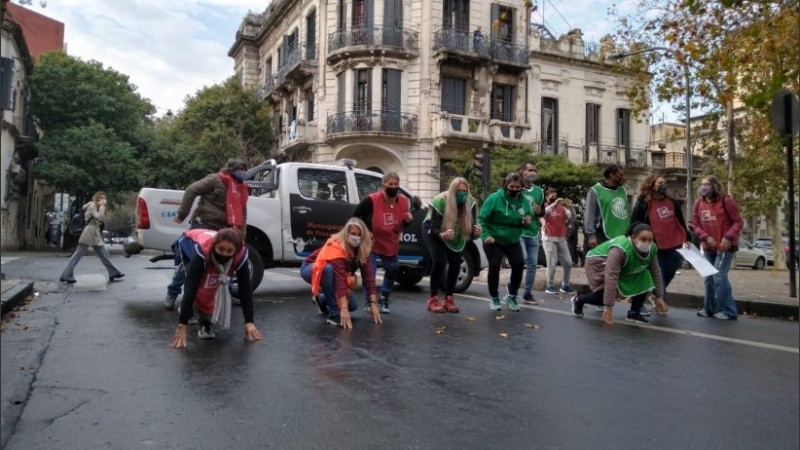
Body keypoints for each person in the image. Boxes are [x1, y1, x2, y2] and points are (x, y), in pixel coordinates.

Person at [163, 158, 249, 311]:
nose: (243, 172)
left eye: (244, 169)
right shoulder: (215, 180)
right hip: (203, 225)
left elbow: (243, 212)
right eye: (239, 169)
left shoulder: (242, 188)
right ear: (231, 169)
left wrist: (241, 235)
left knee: (227, 264)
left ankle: (226, 295)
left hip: (224, 229)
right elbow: (191, 190)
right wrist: (183, 212)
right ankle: (172, 293)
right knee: (190, 263)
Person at [169, 228, 264, 347]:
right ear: (214, 246)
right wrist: (182, 324)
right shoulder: (202, 253)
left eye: (229, 251)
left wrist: (249, 321)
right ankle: (203, 322)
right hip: (188, 244)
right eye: (221, 249)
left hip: (207, 247)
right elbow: (191, 288)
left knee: (214, 283)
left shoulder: (241, 256)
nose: (224, 254)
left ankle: (190, 309)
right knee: (204, 286)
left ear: (237, 250)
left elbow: (245, 289)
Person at [570, 223, 668, 324]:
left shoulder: (652, 249)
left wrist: (659, 296)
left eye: (650, 240)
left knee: (644, 276)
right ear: (633, 238)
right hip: (597, 262)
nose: (647, 243)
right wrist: (608, 307)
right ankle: (578, 299)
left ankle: (634, 313)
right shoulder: (619, 250)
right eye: (643, 239)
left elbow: (656, 271)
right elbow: (611, 276)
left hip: (623, 265)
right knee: (602, 298)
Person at [300, 218, 382, 329]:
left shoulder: (363, 248)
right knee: (328, 270)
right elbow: (339, 279)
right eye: (353, 233)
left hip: (333, 275)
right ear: (346, 233)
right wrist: (342, 309)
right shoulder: (337, 246)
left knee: (352, 306)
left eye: (359, 234)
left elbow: (369, 276)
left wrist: (373, 303)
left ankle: (322, 299)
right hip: (312, 268)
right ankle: (334, 314)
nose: (356, 237)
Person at [352, 172, 413, 314]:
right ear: (383, 186)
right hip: (371, 242)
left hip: (390, 242)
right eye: (390, 184)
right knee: (370, 272)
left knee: (392, 270)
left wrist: (408, 220)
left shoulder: (404, 202)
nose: (393, 187)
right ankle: (369, 301)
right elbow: (354, 215)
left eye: (396, 184)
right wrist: (365, 231)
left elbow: (401, 225)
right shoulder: (371, 200)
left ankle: (384, 297)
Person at [631, 174, 691, 312]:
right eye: (660, 183)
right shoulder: (643, 203)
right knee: (659, 274)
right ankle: (660, 301)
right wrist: (635, 239)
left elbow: (680, 221)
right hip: (654, 246)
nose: (664, 185)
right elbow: (635, 221)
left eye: (665, 183)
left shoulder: (672, 202)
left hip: (673, 244)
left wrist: (687, 238)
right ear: (652, 185)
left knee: (670, 272)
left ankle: (656, 295)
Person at [422, 177, 481, 313]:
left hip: (455, 232)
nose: (461, 194)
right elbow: (433, 227)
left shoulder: (470, 203)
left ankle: (449, 298)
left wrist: (476, 232)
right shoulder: (441, 200)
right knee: (440, 260)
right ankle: (433, 298)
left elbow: (470, 234)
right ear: (452, 190)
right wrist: (442, 235)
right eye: (458, 191)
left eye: (464, 191)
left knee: (456, 261)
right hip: (433, 230)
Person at [691, 175, 744, 320]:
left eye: (707, 184)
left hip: (725, 246)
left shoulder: (726, 200)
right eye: (702, 184)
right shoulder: (698, 203)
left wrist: (728, 237)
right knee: (708, 277)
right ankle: (709, 308)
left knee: (719, 276)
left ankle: (728, 310)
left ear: (714, 186)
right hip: (708, 246)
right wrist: (705, 237)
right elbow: (695, 225)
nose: (703, 187)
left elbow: (738, 222)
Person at [478, 172, 533, 312]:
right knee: (495, 265)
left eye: (517, 187)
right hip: (493, 238)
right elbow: (482, 219)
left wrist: (526, 221)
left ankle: (511, 295)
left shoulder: (523, 200)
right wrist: (486, 236)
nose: (514, 189)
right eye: (511, 186)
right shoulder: (494, 198)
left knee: (519, 263)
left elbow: (527, 215)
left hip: (512, 238)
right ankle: (494, 297)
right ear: (505, 185)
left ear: (521, 187)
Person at [584, 164, 630, 311]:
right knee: (604, 270)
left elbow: (624, 213)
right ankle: (599, 298)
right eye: (620, 174)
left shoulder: (622, 190)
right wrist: (591, 235)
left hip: (621, 236)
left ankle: (604, 298)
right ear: (611, 175)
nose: (623, 177)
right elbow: (589, 215)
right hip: (601, 235)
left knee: (619, 270)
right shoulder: (595, 191)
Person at [59, 192, 125, 284]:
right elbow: (99, 217)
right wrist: (102, 207)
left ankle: (113, 272)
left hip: (94, 232)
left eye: (104, 198)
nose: (104, 200)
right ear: (98, 199)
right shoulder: (92, 206)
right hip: (89, 232)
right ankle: (66, 275)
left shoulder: (94, 206)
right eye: (102, 198)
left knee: (104, 254)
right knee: (77, 255)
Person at [519, 162, 545, 304]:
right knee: (520, 260)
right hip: (519, 231)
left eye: (535, 170)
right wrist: (521, 216)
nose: (532, 173)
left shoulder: (539, 191)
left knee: (533, 264)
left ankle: (527, 293)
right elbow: (511, 205)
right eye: (529, 170)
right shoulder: (516, 188)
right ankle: (512, 288)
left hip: (533, 232)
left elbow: (542, 212)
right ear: (523, 172)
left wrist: (540, 212)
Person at [542, 189, 574, 295]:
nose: (554, 198)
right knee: (552, 262)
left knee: (568, 262)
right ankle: (550, 285)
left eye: (555, 196)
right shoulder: (545, 207)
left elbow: (571, 216)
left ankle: (565, 285)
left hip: (561, 238)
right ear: (547, 197)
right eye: (551, 196)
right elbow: (544, 213)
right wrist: (554, 204)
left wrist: (570, 206)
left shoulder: (562, 208)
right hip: (548, 238)